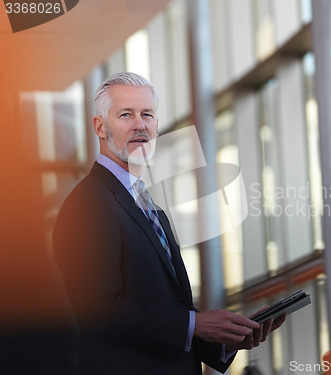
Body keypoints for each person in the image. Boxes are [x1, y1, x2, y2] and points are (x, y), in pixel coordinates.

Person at [52, 72, 285, 375]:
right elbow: (96, 310)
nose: (140, 124)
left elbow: (165, 312)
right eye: (126, 114)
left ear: (157, 126)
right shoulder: (88, 203)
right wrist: (195, 323)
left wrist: (227, 337)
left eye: (147, 114)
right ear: (100, 126)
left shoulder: (152, 209)